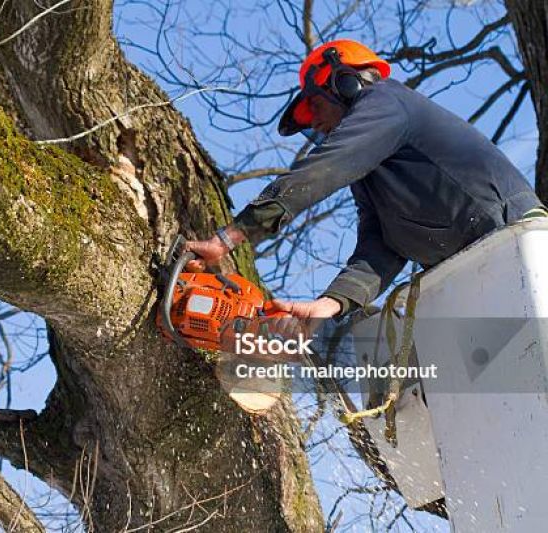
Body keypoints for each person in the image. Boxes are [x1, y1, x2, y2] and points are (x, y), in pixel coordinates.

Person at [185, 39, 546, 327]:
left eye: (317, 109)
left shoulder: (386, 102)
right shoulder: (372, 170)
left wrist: (230, 236)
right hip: (472, 270)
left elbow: (323, 169)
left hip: (512, 239)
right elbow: (381, 243)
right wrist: (330, 303)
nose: (317, 126)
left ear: (345, 84)